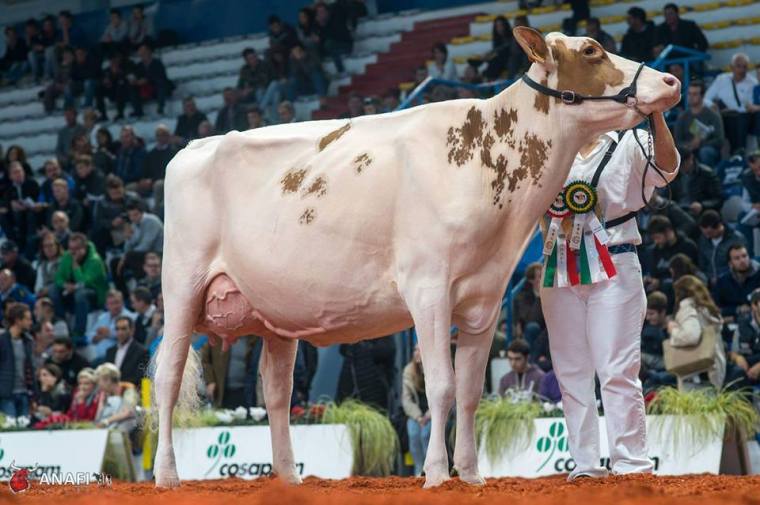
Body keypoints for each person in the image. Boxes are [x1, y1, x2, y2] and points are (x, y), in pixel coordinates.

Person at [540, 108, 679, 480]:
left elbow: (667, 170)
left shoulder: (630, 141)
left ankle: (630, 464)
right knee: (571, 372)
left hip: (615, 261)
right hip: (559, 266)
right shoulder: (551, 148)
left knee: (617, 369)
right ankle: (585, 465)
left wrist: (656, 116)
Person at [666, 275, 726, 389]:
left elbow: (691, 336)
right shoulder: (707, 309)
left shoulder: (688, 309)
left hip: (696, 375)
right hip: (712, 370)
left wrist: (673, 330)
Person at [53, 233, 109, 344]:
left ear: (84, 247)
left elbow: (84, 281)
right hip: (72, 291)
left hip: (95, 295)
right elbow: (58, 278)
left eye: (76, 249)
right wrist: (65, 285)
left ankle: (79, 332)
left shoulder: (95, 260)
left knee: (81, 293)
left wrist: (75, 267)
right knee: (52, 290)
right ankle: (62, 323)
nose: (73, 252)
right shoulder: (67, 256)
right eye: (71, 248)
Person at [704, 53, 758, 154]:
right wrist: (713, 106)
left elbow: (750, 106)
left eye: (744, 67)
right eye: (738, 66)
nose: (741, 70)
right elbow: (706, 99)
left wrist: (734, 110)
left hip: (743, 117)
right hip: (722, 116)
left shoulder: (753, 83)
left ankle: (738, 153)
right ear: (731, 67)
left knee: (740, 119)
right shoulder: (721, 79)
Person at [336, 336, 396, 411]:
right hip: (350, 396)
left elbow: (386, 350)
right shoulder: (351, 344)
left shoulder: (384, 338)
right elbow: (343, 349)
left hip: (374, 397)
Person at [674, 81, 725, 167]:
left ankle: (708, 174)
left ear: (702, 96)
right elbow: (677, 140)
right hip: (688, 148)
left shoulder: (713, 115)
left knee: (705, 151)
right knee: (680, 152)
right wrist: (689, 145)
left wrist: (700, 144)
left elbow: (720, 140)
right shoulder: (682, 117)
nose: (691, 97)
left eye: (695, 94)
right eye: (689, 94)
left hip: (707, 149)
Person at [200, 334, 259, 409]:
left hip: (245, 391)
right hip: (221, 389)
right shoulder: (218, 334)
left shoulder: (253, 338)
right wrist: (210, 381)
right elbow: (205, 360)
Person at [643, 215, 698, 293]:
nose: (656, 242)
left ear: (668, 232)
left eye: (658, 237)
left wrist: (660, 283)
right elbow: (651, 272)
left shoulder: (688, 247)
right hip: (657, 293)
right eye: (654, 239)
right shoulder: (653, 250)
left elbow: (689, 276)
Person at [0, 303, 36, 417]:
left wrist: (34, 395)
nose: (31, 322)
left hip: (25, 393)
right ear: (18, 320)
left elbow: (31, 369)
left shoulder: (28, 341)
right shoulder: (2, 341)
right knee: (9, 426)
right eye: (28, 319)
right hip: (6, 394)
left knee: (24, 426)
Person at [402, 345, 430, 477]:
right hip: (416, 415)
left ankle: (430, 468)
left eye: (420, 349)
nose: (417, 353)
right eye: (415, 350)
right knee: (413, 433)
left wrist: (428, 415)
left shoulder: (435, 370)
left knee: (425, 435)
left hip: (432, 414)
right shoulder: (409, 371)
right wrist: (418, 417)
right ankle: (419, 471)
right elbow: (406, 400)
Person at [697, 210, 746, 286]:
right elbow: (702, 265)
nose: (707, 236)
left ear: (719, 226)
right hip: (709, 282)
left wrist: (721, 279)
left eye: (709, 233)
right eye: (705, 233)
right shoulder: (703, 239)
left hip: (731, 282)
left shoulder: (736, 239)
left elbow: (742, 265)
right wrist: (708, 279)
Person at [86, 290, 135, 364]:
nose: (115, 306)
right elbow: (89, 336)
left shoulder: (131, 317)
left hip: (119, 358)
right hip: (99, 357)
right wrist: (99, 336)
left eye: (117, 302)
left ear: (123, 302)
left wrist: (109, 334)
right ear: (106, 305)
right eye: (111, 303)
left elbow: (129, 336)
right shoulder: (102, 317)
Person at [713, 244, 760, 320]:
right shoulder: (723, 281)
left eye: (744, 256)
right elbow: (716, 308)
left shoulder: (758, 274)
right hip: (732, 321)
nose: (742, 260)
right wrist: (737, 309)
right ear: (730, 263)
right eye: (737, 258)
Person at [726, 288, 760, 389]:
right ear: (754, 305)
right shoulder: (742, 325)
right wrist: (737, 358)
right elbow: (732, 353)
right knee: (734, 373)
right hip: (747, 369)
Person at [104, 316, 148, 388]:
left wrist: (145, 394)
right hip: (111, 391)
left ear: (132, 330)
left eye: (123, 329)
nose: (120, 332)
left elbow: (144, 378)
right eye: (117, 329)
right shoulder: (110, 351)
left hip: (132, 392)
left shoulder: (142, 352)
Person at [131, 43, 172, 116]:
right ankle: (138, 111)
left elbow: (162, 76)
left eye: (144, 52)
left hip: (157, 88)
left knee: (160, 83)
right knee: (132, 87)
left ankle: (160, 108)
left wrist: (147, 80)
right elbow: (136, 76)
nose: (142, 54)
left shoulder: (157, 63)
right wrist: (136, 81)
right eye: (141, 53)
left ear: (149, 51)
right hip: (146, 89)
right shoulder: (139, 65)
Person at [641, 291, 671, 389]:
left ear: (662, 312)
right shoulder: (648, 328)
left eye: (651, 314)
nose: (648, 318)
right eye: (647, 314)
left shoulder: (672, 328)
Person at [314, 2, 353, 75]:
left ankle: (341, 71)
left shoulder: (335, 19)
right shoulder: (320, 24)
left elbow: (334, 35)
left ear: (327, 11)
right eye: (319, 12)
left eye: (322, 11)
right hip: (334, 47)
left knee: (329, 44)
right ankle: (323, 71)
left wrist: (322, 25)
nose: (321, 14)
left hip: (346, 45)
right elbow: (320, 39)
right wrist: (320, 25)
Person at [33, 232, 61, 298]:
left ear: (57, 246)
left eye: (51, 245)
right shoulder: (41, 266)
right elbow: (38, 287)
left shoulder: (64, 262)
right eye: (45, 246)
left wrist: (48, 289)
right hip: (44, 296)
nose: (48, 249)